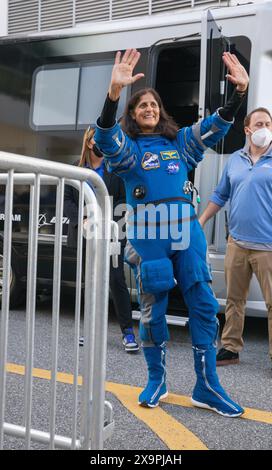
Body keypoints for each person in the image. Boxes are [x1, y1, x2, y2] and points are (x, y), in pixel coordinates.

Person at [94, 48, 249, 416]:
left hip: (187, 232)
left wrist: (239, 94)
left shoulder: (180, 144)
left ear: (160, 111)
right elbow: (105, 140)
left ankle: (207, 385)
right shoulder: (129, 151)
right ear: (132, 114)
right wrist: (113, 95)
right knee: (153, 309)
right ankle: (156, 379)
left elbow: (215, 125)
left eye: (153, 104)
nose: (148, 108)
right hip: (149, 237)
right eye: (141, 105)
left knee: (204, 305)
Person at [199, 107, 272, 367]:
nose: (265, 128)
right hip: (237, 242)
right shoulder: (235, 161)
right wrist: (202, 220)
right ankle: (230, 347)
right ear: (248, 129)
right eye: (259, 123)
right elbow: (220, 195)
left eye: (268, 123)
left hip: (268, 247)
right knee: (234, 299)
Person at [64, 127, 139, 353]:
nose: (102, 144)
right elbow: (68, 200)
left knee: (116, 280)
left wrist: (107, 221)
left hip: (111, 233)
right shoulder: (76, 170)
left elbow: (124, 200)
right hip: (86, 233)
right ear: (89, 143)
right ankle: (91, 330)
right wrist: (83, 219)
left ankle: (127, 332)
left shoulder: (114, 170)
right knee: (91, 281)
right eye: (98, 140)